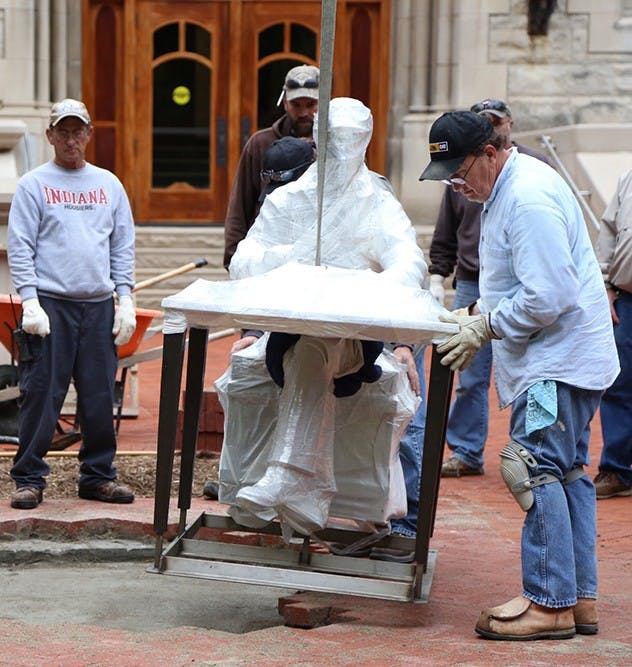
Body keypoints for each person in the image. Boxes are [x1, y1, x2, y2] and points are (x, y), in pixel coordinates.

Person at [421, 110, 619, 640]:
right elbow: (518, 277)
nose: (457, 187)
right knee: (568, 470)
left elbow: (548, 295)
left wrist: (485, 326)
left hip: (557, 362)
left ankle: (549, 602)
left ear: (490, 151)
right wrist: (476, 315)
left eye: (461, 172)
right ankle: (578, 599)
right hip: (563, 358)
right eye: (448, 179)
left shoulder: (525, 197)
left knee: (530, 466)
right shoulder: (504, 189)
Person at [227, 97, 426, 536]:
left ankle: (289, 476)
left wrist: (366, 288)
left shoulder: (377, 202)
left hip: (355, 339)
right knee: (305, 349)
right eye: (332, 141)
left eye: (350, 141)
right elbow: (243, 261)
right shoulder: (292, 200)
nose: (341, 151)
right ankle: (303, 489)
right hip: (289, 332)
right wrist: (291, 258)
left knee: (316, 348)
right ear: (317, 141)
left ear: (365, 142)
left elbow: (410, 263)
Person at [6, 98, 138, 510]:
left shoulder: (109, 185)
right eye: (61, 131)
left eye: (76, 130)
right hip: (51, 305)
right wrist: (30, 301)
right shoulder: (33, 185)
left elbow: (122, 246)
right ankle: (29, 478)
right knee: (41, 394)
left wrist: (126, 297)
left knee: (100, 395)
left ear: (88, 134)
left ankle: (98, 476)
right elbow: (20, 246)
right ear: (49, 136)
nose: (70, 139)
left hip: (97, 306)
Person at [429, 98, 553, 478]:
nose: (492, 126)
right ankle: (468, 450)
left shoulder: (527, 185)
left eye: (495, 121)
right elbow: (447, 226)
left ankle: (533, 453)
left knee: (529, 376)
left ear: (508, 126)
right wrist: (438, 273)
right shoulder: (468, 175)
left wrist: (486, 322)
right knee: (470, 376)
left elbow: (546, 294)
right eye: (482, 120)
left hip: (522, 295)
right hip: (473, 283)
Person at [202, 136, 315, 501]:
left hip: (325, 328)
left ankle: (292, 486)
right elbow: (251, 265)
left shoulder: (340, 207)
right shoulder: (274, 210)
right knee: (245, 382)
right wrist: (252, 328)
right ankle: (240, 481)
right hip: (277, 323)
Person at [223, 65, 318, 269]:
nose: (304, 112)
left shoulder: (338, 147)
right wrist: (232, 257)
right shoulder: (260, 143)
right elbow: (241, 203)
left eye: (311, 105)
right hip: (265, 255)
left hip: (316, 257)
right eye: (296, 104)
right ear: (284, 101)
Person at [593, 168, 632, 499]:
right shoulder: (629, 177)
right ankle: (617, 468)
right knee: (618, 383)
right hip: (626, 297)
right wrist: (605, 284)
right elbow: (608, 233)